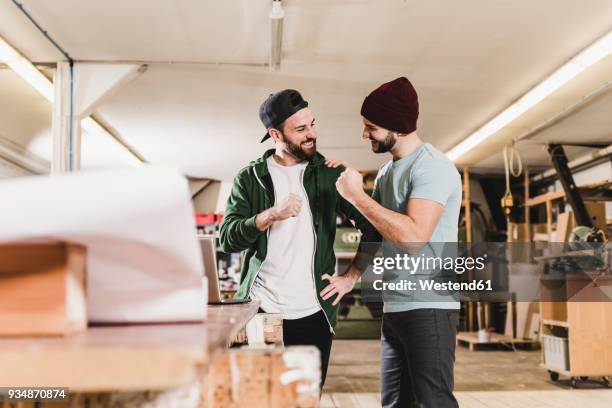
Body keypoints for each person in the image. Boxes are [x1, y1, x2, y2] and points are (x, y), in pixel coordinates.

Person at [219, 89, 380, 387]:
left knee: (304, 399)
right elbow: (227, 239)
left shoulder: (331, 176)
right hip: (260, 310)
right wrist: (270, 215)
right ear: (275, 133)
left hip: (313, 313)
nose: (312, 134)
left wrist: (351, 277)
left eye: (313, 124)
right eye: (301, 129)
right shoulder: (250, 178)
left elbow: (373, 229)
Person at [325, 77, 462, 407]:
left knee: (433, 401)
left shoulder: (433, 168)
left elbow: (414, 237)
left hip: (430, 307)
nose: (364, 134)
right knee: (394, 403)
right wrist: (350, 277)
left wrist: (357, 197)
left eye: (370, 126)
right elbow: (375, 233)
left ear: (397, 127)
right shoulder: (387, 172)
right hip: (396, 307)